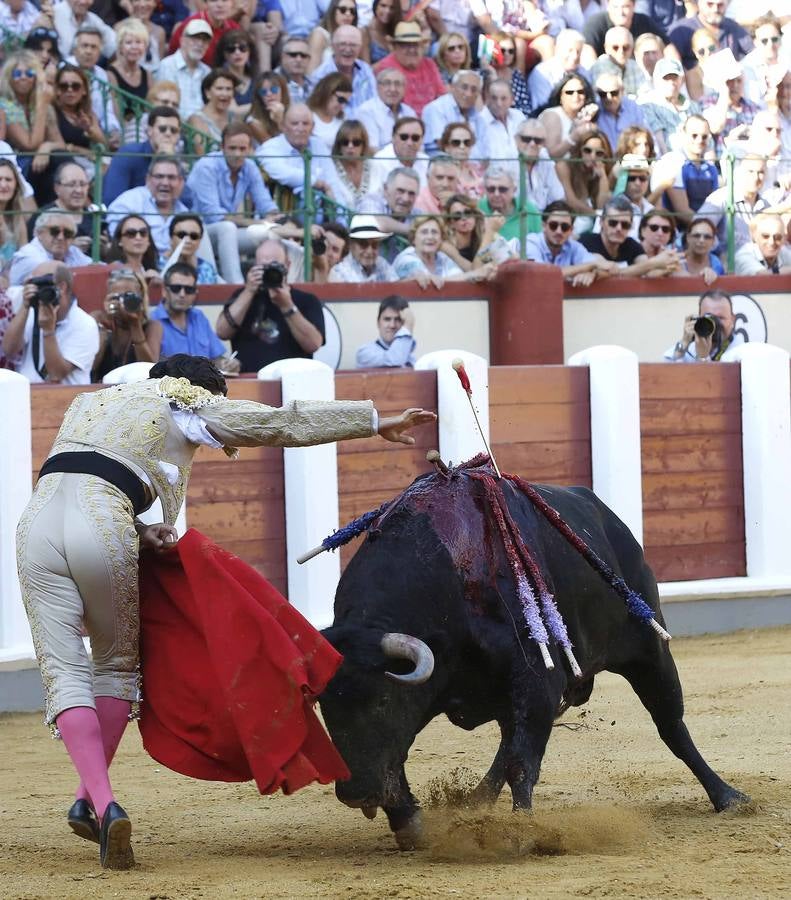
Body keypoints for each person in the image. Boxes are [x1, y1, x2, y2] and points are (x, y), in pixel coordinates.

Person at [14, 350, 435, 870]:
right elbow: (281, 423)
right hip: (101, 528)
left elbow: (85, 476)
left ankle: (95, 802)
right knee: (115, 668)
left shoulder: (90, 402)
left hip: (33, 528)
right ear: (203, 391)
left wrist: (141, 530)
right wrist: (373, 421)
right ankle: (97, 803)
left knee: (63, 673)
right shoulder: (186, 398)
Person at [187, 122, 278, 283]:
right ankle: (235, 285)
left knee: (275, 234)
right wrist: (258, 222)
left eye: (242, 149)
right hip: (199, 233)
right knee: (227, 227)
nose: (237, 154)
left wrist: (279, 221)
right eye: (232, 148)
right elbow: (215, 216)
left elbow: (266, 204)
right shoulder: (207, 166)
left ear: (250, 149)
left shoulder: (249, 167)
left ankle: (273, 283)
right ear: (222, 147)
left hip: (227, 235)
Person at [215, 238, 325, 372]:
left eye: (274, 265)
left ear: (288, 265)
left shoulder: (307, 300)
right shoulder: (242, 296)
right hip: (249, 381)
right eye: (262, 266)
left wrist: (287, 306)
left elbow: (313, 344)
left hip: (292, 380)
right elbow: (222, 332)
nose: (268, 271)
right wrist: (249, 291)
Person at [2, 261, 99, 383]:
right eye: (34, 283)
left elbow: (56, 375)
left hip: (65, 397)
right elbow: (9, 351)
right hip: (28, 395)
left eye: (43, 283)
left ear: (62, 287)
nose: (38, 289)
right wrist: (25, 307)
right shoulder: (32, 313)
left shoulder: (85, 324)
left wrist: (48, 331)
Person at [150, 261, 237, 370]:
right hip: (169, 385)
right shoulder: (152, 320)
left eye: (188, 290)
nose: (182, 294)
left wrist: (227, 364)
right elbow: (149, 366)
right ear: (164, 291)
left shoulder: (199, 317)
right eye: (176, 288)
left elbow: (216, 359)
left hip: (204, 385)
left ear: (195, 293)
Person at [255, 103, 344, 201]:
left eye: (305, 123)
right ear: (283, 126)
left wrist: (339, 213)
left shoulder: (319, 145)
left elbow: (332, 181)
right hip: (283, 213)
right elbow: (282, 172)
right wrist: (316, 182)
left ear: (313, 127)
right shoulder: (270, 147)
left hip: (320, 212)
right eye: (295, 123)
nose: (301, 129)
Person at [106, 157, 190, 257]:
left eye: (171, 177)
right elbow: (118, 244)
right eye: (159, 177)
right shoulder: (128, 203)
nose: (165, 183)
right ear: (148, 179)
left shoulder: (185, 213)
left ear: (181, 182)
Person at [90, 268, 161, 381]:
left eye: (128, 297)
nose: (122, 303)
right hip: (100, 390)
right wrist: (105, 327)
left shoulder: (152, 326)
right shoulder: (98, 319)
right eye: (116, 297)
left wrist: (135, 325)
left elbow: (149, 369)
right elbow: (90, 367)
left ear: (141, 299)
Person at [102, 106, 183, 205]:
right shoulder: (129, 154)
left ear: (178, 136)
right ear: (149, 131)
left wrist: (170, 159)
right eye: (162, 129)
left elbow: (187, 202)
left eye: (173, 131)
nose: (168, 134)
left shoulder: (177, 160)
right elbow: (112, 198)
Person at [579, 194, 678, 274]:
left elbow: (648, 273)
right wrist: (654, 263)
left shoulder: (631, 244)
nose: (619, 228)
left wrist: (668, 266)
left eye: (625, 225)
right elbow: (608, 273)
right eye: (613, 223)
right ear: (601, 222)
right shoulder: (588, 241)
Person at [651, 114, 720, 226]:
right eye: (694, 135)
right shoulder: (672, 161)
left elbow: (716, 207)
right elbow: (682, 211)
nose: (699, 140)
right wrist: (707, 227)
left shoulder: (711, 168)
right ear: (683, 134)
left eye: (704, 137)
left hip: (704, 230)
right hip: (674, 233)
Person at [526, 199, 614, 286]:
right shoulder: (531, 242)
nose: (559, 231)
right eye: (553, 225)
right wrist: (591, 265)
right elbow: (543, 274)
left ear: (571, 230)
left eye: (564, 227)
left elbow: (609, 269)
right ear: (544, 226)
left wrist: (592, 274)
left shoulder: (573, 246)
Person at [392, 214, 495, 287]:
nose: (430, 237)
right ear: (414, 239)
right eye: (424, 232)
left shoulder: (441, 257)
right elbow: (429, 283)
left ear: (441, 239)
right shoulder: (406, 257)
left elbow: (459, 278)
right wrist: (474, 274)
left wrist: (480, 274)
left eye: (434, 232)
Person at [28, 161, 105, 255]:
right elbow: (32, 251)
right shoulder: (44, 217)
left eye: (83, 184)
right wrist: (68, 247)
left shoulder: (94, 216)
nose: (78, 190)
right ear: (57, 188)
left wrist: (105, 248)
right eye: (71, 185)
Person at [373, 20, 446, 117]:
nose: (412, 50)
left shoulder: (429, 64)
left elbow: (442, 96)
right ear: (395, 47)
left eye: (416, 45)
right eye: (405, 45)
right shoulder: (386, 68)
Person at [9, 209, 92, 285]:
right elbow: (55, 271)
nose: (61, 237)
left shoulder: (72, 251)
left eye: (67, 233)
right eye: (54, 231)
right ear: (39, 233)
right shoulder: (28, 254)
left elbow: (96, 267)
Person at [555, 129, 614, 234]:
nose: (592, 156)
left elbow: (602, 205)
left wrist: (602, 177)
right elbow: (571, 202)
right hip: (566, 226)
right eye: (587, 151)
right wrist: (598, 215)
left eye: (599, 153)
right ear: (579, 150)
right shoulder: (564, 166)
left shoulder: (601, 172)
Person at [668, 0, 753, 72]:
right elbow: (672, 68)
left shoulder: (733, 27)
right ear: (699, 3)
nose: (715, 9)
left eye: (720, 5)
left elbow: (752, 53)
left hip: (731, 82)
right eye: (710, 4)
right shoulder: (681, 31)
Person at [637, 57, 699, 155]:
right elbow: (659, 142)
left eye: (674, 77)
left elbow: (706, 140)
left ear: (681, 80)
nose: (671, 83)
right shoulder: (648, 104)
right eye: (666, 78)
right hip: (667, 161)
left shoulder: (693, 106)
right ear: (656, 80)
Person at [359, 166, 422, 260]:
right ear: (385, 189)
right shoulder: (372, 200)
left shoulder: (417, 214)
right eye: (400, 191)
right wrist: (412, 230)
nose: (405, 198)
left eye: (411, 193)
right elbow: (374, 223)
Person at [442, 192, 516, 271]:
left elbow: (514, 259)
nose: (464, 218)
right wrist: (490, 232)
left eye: (468, 213)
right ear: (450, 223)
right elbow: (475, 272)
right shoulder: (447, 246)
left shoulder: (482, 236)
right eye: (457, 216)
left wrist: (492, 234)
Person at [156, 19, 212, 120]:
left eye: (204, 40)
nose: (200, 44)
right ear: (182, 40)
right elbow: (165, 106)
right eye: (195, 38)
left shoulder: (207, 71)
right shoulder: (168, 65)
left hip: (203, 129)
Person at [311, 25, 377, 112]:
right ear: (333, 46)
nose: (348, 49)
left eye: (353, 45)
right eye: (342, 44)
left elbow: (375, 101)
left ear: (360, 48)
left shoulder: (365, 69)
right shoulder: (320, 76)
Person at [663, 288, 741, 361]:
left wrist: (703, 357)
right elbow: (665, 372)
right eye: (709, 317)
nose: (715, 323)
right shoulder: (691, 348)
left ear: (732, 320)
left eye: (720, 318)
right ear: (699, 318)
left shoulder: (740, 351)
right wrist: (683, 343)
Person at [422, 69, 485, 157]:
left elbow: (484, 149)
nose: (468, 94)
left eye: (474, 90)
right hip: (442, 163)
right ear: (453, 87)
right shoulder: (437, 108)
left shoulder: (478, 115)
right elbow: (442, 144)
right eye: (464, 87)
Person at [107, 17, 150, 140]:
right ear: (120, 46)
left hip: (145, 130)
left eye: (138, 42)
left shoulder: (147, 74)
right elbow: (117, 112)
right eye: (129, 42)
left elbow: (150, 108)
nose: (134, 47)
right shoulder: (111, 73)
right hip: (123, 132)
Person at [538, 72, 600, 158]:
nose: (576, 96)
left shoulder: (586, 116)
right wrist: (575, 135)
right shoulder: (553, 115)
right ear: (560, 96)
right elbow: (551, 156)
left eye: (580, 92)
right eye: (570, 92)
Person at [353, 67, 416, 150]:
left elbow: (417, 145)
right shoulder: (367, 111)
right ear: (378, 87)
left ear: (404, 88)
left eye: (397, 84)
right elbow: (372, 150)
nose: (393, 89)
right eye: (387, 83)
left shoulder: (409, 112)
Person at [528, 28, 588, 112]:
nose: (575, 56)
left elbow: (591, 100)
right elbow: (543, 109)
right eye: (570, 50)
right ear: (557, 49)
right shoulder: (542, 73)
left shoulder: (583, 72)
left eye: (578, 52)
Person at [168, 0, 243, 67]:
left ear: (232, 3)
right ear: (206, 3)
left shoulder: (234, 28)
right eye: (213, 0)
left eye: (225, 0)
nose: (220, 5)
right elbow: (172, 55)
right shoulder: (190, 24)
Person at [584, 0, 669, 58]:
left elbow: (667, 47)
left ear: (634, 6)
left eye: (625, 6)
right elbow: (587, 52)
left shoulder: (644, 21)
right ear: (608, 6)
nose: (620, 12)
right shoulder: (597, 22)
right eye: (615, 7)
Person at [479, 165, 542, 243]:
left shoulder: (528, 208)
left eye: (502, 189)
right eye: (491, 189)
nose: (496, 194)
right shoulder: (478, 208)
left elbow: (540, 242)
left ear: (514, 190)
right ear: (485, 190)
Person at [368, 116, 428, 194]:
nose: (409, 143)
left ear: (422, 140)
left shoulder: (427, 162)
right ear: (393, 138)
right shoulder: (379, 162)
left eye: (415, 138)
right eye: (404, 137)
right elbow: (373, 196)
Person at [515, 120, 566, 212]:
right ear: (516, 140)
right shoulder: (506, 163)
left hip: (543, 221)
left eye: (538, 141)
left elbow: (558, 198)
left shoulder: (546, 161)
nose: (532, 144)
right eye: (526, 139)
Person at [328, 214, 397, 281]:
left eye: (374, 245)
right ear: (351, 245)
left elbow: (397, 287)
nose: (369, 251)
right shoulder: (339, 272)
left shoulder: (382, 263)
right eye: (363, 244)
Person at [355, 294, 416, 367]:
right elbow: (395, 360)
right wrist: (408, 326)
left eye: (398, 320)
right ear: (378, 323)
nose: (392, 325)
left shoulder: (410, 358)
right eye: (387, 319)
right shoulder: (365, 353)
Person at [158, 214, 221, 284]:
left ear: (200, 241)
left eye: (194, 236)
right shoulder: (156, 265)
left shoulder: (207, 269)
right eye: (181, 235)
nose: (188, 240)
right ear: (171, 238)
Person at [589, 25, 648, 97]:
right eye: (615, 47)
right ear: (606, 48)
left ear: (632, 48)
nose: (621, 52)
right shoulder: (599, 67)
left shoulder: (636, 67)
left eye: (626, 47)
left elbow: (645, 95)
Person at [330, 120, 376, 210]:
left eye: (356, 142)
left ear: (363, 146)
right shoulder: (331, 169)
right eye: (345, 142)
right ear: (339, 146)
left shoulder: (375, 166)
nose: (350, 146)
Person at [594, 71, 646, 151]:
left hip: (632, 160)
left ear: (622, 91)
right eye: (603, 94)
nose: (609, 98)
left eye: (614, 93)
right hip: (606, 161)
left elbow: (647, 135)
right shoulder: (594, 111)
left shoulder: (634, 108)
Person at [480, 79, 525, 166]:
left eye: (503, 98)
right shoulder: (479, 122)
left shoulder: (518, 116)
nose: (499, 103)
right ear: (487, 98)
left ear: (512, 99)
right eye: (494, 98)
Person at [308, 0, 361, 71]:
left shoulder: (356, 36)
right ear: (333, 11)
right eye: (343, 10)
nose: (348, 14)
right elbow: (311, 71)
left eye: (352, 11)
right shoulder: (320, 35)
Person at [437, 122, 484, 200]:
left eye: (467, 142)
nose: (462, 146)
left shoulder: (478, 170)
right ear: (446, 147)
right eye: (456, 143)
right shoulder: (443, 174)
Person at [107, 215, 161, 282]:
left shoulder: (152, 273)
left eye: (143, 233)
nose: (138, 237)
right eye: (131, 233)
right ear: (120, 241)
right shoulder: (112, 270)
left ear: (148, 241)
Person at [678, 216, 722, 283]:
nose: (701, 240)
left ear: (713, 241)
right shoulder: (676, 261)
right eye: (696, 236)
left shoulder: (717, 264)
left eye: (707, 237)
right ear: (688, 238)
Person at [361, 0, 402, 66]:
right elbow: (366, 70)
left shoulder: (396, 31)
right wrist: (392, 57)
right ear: (375, 7)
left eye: (392, 7)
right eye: (383, 6)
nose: (387, 11)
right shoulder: (365, 33)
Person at [276, 35, 314, 103]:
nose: (298, 59)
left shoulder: (314, 84)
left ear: (309, 59)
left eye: (303, 56)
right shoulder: (273, 82)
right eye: (293, 55)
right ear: (283, 57)